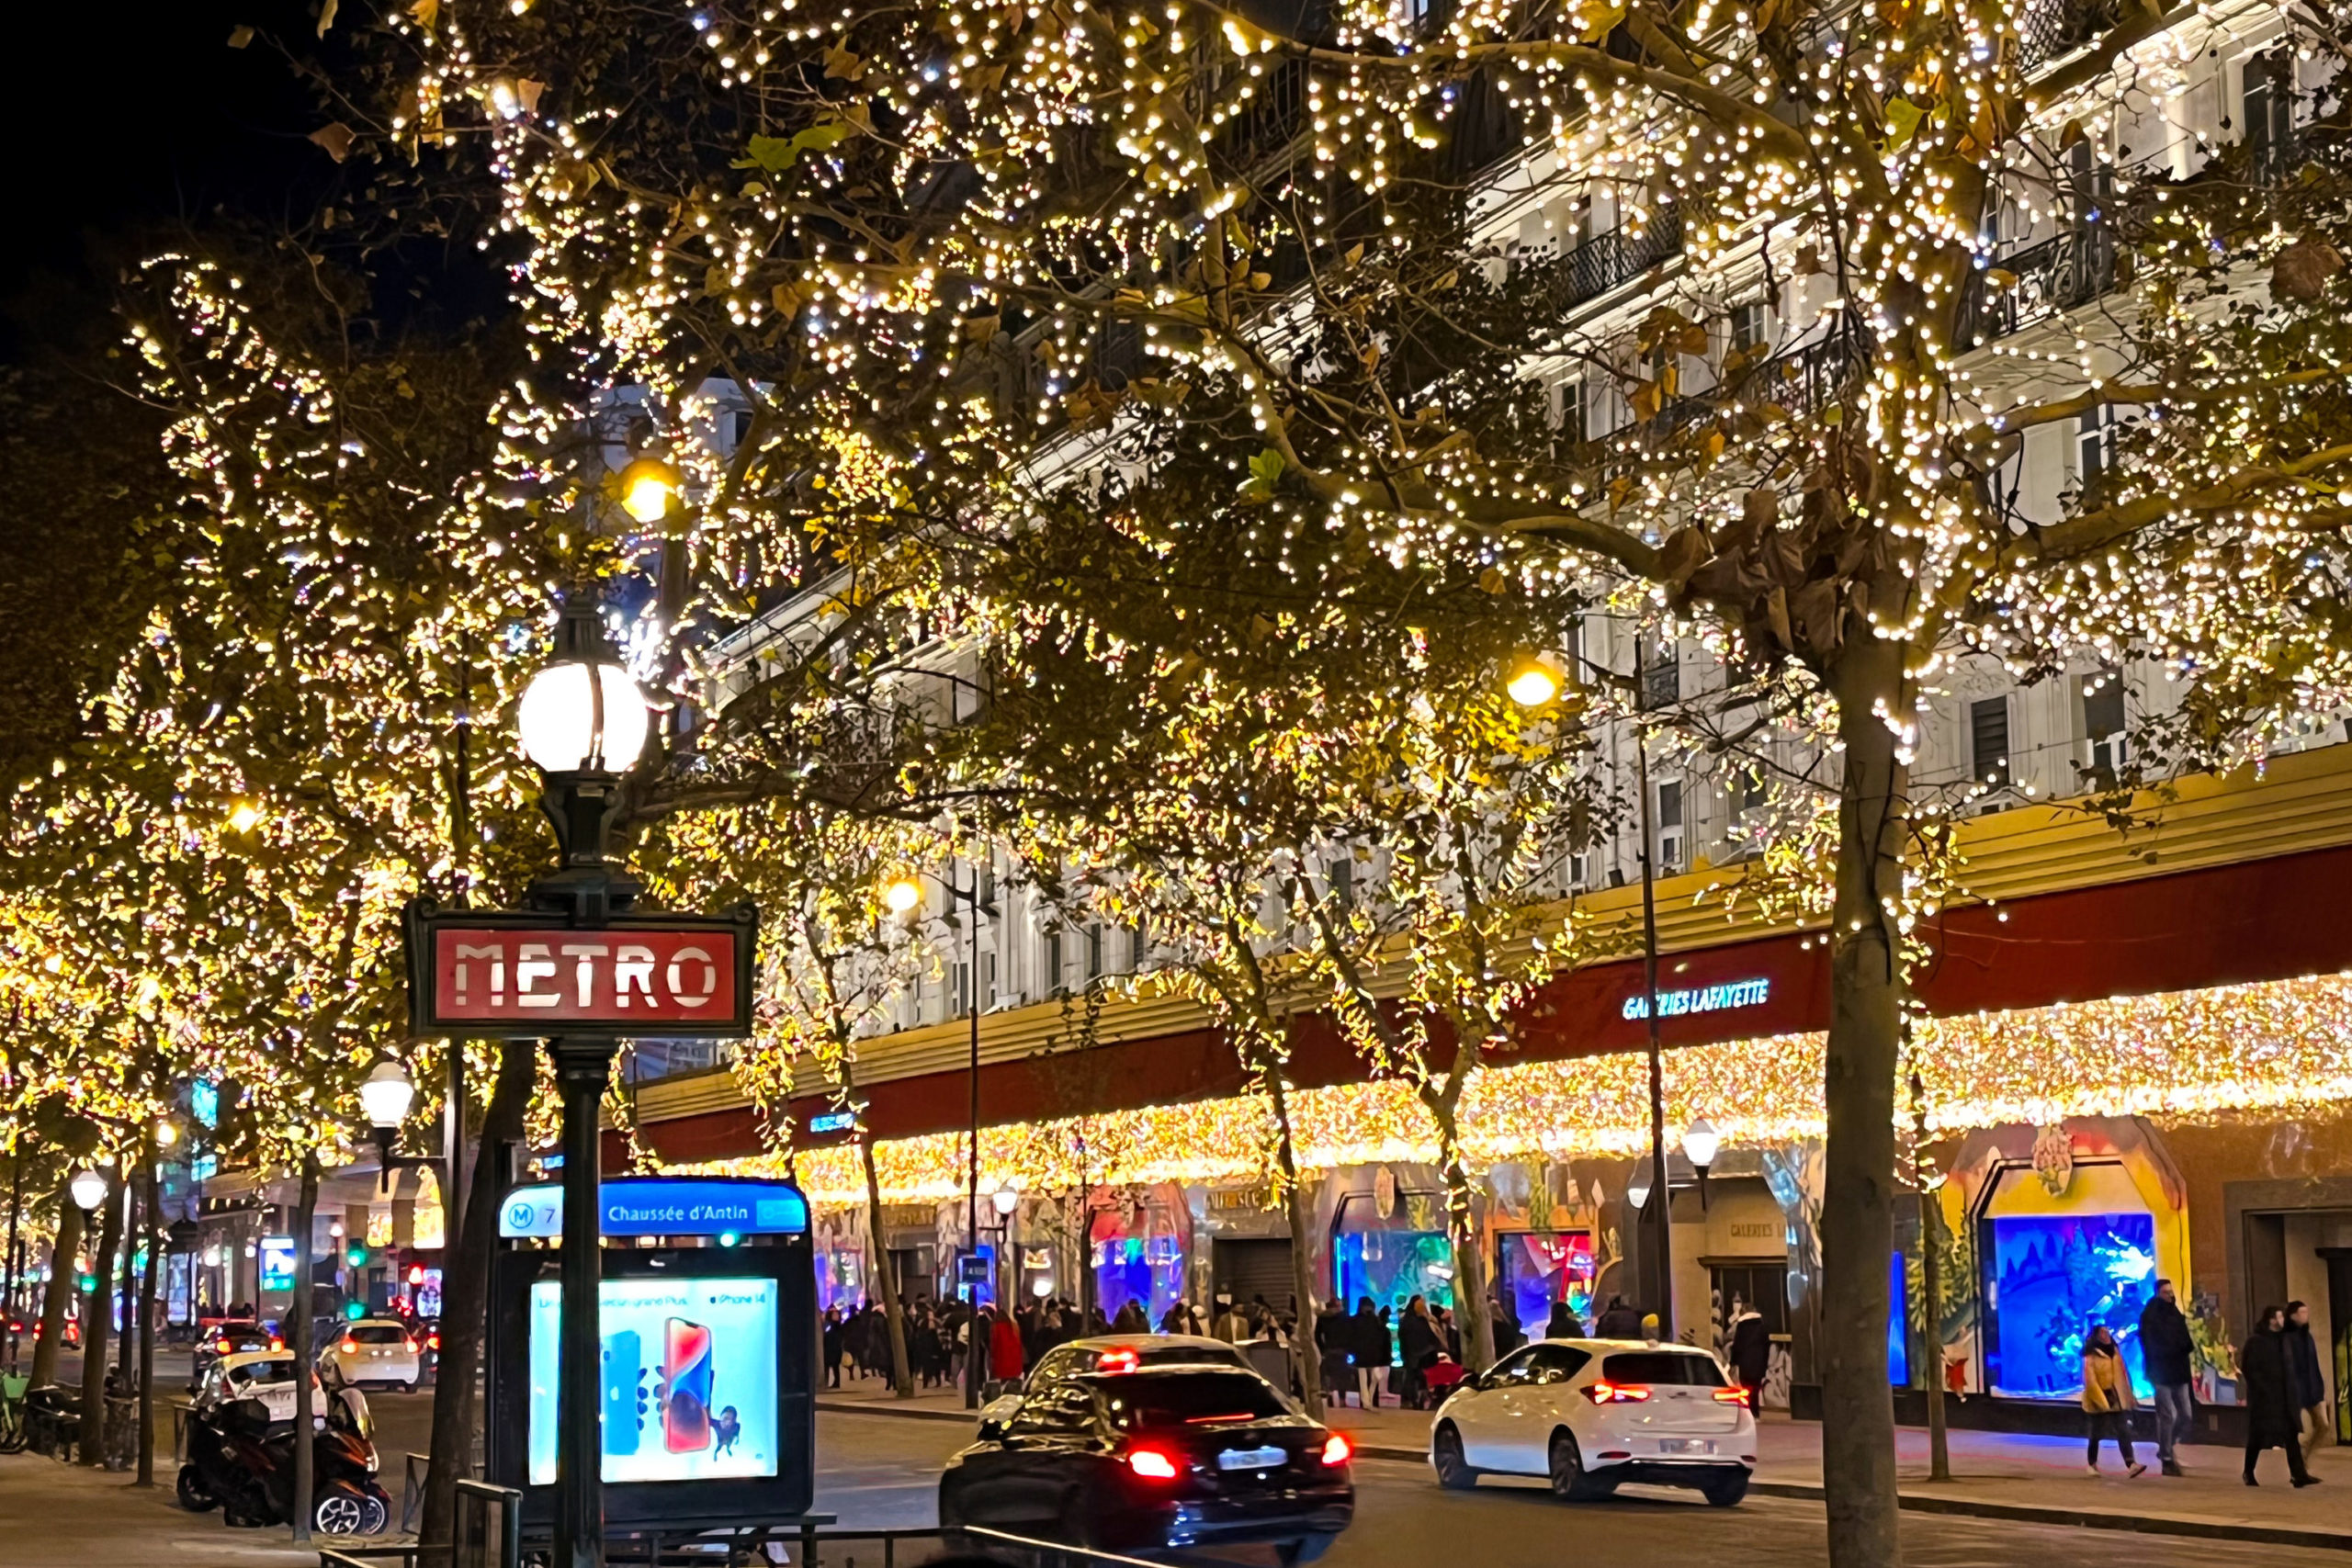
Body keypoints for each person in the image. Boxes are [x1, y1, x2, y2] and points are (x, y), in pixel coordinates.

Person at [2240, 1305, 2319, 1487]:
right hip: (2264, 1399)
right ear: (2271, 1320)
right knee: (2257, 1437)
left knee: (2291, 1436)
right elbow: (2250, 1370)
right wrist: (2262, 1390)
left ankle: (2299, 1474)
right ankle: (2248, 1471)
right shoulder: (2256, 1342)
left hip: (2284, 1397)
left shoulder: (2284, 1340)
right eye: (2280, 1317)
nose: (2283, 1320)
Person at [2137, 1280, 2195, 1475]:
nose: (2170, 1295)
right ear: (2157, 1293)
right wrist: (2172, 1351)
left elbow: (2186, 1339)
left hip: (2179, 1371)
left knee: (2186, 1414)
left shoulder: (2175, 1313)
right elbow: (2150, 1345)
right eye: (2165, 1292)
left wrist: (2184, 1348)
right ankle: (2167, 1459)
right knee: (2167, 1415)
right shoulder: (2150, 1316)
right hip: (2161, 1372)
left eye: (2171, 1291)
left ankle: (2166, 1447)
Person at [2080, 1324, 2144, 1476]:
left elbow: (2123, 1375)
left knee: (2123, 1431)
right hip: (2098, 1399)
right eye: (2102, 1333)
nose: (2106, 1335)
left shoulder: (2115, 1352)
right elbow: (2090, 1380)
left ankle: (2131, 1464)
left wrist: (2129, 1395)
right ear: (2096, 1336)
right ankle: (2092, 1464)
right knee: (2096, 1433)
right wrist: (2101, 1400)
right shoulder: (2091, 1356)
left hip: (2116, 1398)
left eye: (2107, 1332)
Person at [2285, 1302, 2329, 1459]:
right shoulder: (2287, 1338)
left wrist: (2319, 1387)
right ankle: (2298, 1465)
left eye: (2306, 1312)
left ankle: (2304, 1458)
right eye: (2301, 1312)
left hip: (2311, 1389)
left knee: (2323, 1426)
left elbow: (2313, 1364)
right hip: (2295, 1390)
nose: (2305, 1315)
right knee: (2294, 1429)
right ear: (2293, 1316)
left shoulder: (2307, 1336)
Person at [1728, 1301, 1771, 1410]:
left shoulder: (1741, 1326)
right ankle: (1755, 1411)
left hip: (1744, 1363)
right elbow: (1766, 1345)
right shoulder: (1761, 1325)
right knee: (1756, 1388)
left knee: (1746, 1387)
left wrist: (1733, 1362)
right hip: (1759, 1363)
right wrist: (1765, 1363)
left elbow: (1737, 1345)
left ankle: (1748, 1410)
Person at [1351, 1297, 1388, 1408]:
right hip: (1371, 1352)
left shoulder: (1357, 1320)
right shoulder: (1375, 1321)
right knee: (1372, 1377)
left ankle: (1367, 1400)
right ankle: (1368, 1400)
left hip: (1363, 1352)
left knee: (1365, 1378)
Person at [989, 1302, 1024, 1392]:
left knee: (1003, 1379)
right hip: (1014, 1358)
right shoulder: (1014, 1325)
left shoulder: (995, 1327)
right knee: (1012, 1379)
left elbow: (994, 1343)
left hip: (1001, 1358)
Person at [822, 1306, 845, 1389]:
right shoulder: (828, 1325)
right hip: (829, 1347)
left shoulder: (839, 1326)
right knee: (827, 1365)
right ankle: (825, 1382)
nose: (836, 1316)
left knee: (836, 1366)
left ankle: (837, 1382)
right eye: (834, 1315)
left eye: (837, 1315)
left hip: (836, 1348)